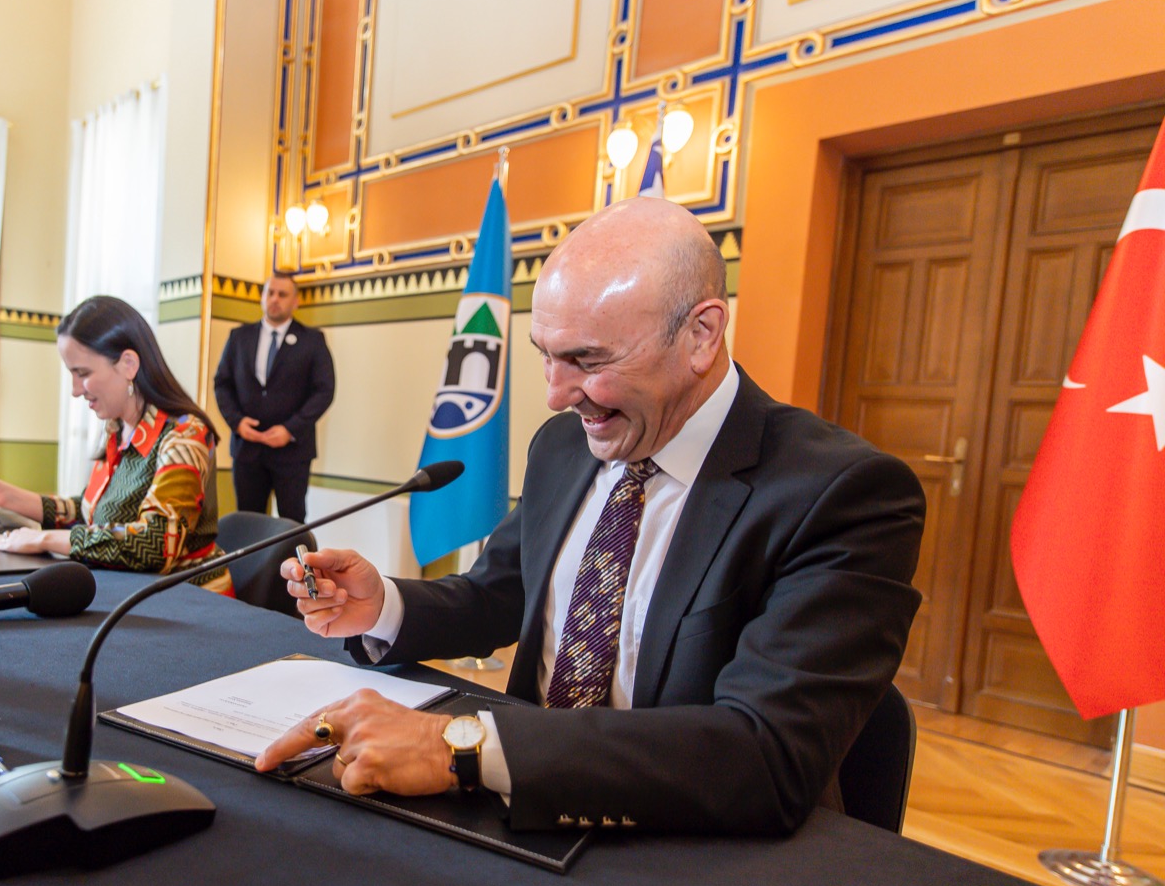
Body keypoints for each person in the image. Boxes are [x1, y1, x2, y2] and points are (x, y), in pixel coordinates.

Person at [255, 198, 927, 836]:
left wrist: (462, 747)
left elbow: (765, 752)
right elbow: (505, 595)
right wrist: (384, 607)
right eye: (546, 354)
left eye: (589, 359)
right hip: (522, 814)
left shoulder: (843, 494)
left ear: (701, 334)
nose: (555, 394)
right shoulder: (564, 445)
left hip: (701, 851)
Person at [0, 295, 230, 592]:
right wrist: (4, 495)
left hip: (191, 597)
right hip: (133, 591)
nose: (75, 390)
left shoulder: (184, 435)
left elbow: (156, 543)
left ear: (128, 364)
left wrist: (44, 538)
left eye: (83, 373)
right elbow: (89, 513)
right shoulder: (118, 428)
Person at [213, 271, 335, 522]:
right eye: (270, 293)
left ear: (295, 302)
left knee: (292, 524)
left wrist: (290, 429)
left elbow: (324, 390)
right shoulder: (239, 337)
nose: (275, 299)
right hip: (247, 450)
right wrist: (237, 422)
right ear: (262, 297)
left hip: (292, 452)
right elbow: (222, 384)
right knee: (248, 523)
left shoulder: (312, 340)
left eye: (282, 294)